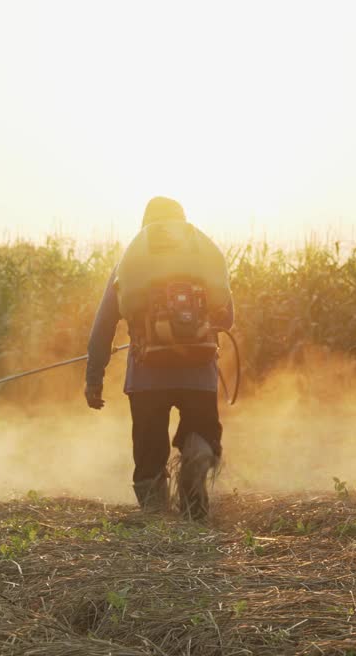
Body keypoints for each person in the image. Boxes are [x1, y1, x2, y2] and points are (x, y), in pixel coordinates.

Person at [84, 197, 234, 519]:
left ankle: (155, 517)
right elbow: (228, 318)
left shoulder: (130, 262)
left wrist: (93, 378)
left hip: (147, 376)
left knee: (149, 450)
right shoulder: (203, 259)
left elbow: (103, 326)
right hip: (199, 375)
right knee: (200, 433)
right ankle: (196, 463)